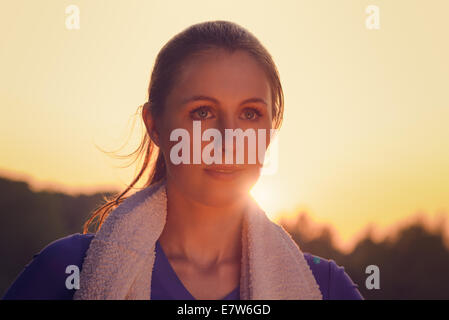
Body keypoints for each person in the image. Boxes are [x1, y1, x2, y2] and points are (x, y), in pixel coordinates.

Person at [3, 20, 363, 300]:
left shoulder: (325, 287)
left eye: (250, 114)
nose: (228, 138)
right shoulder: (68, 270)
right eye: (202, 111)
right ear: (155, 125)